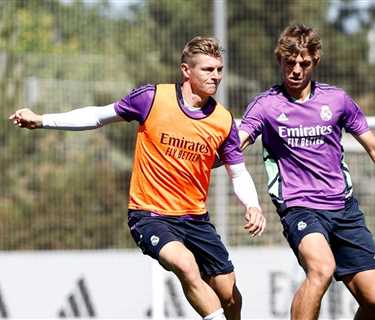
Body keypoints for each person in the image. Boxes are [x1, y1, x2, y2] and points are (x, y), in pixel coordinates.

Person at [9, 36, 266, 320]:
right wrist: (43, 119)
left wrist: (252, 205)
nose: (216, 76)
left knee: (230, 296)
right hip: (150, 215)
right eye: (207, 69)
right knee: (186, 265)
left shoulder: (223, 120)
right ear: (185, 70)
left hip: (195, 218)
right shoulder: (152, 98)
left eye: (219, 69)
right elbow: (97, 116)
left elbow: (238, 171)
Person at [238, 24, 375, 320]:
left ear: (315, 61)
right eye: (290, 63)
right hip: (299, 207)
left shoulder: (337, 101)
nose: (296, 70)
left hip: (343, 208)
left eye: (304, 63)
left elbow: (374, 146)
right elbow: (236, 145)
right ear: (280, 60)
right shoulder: (266, 106)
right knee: (322, 269)